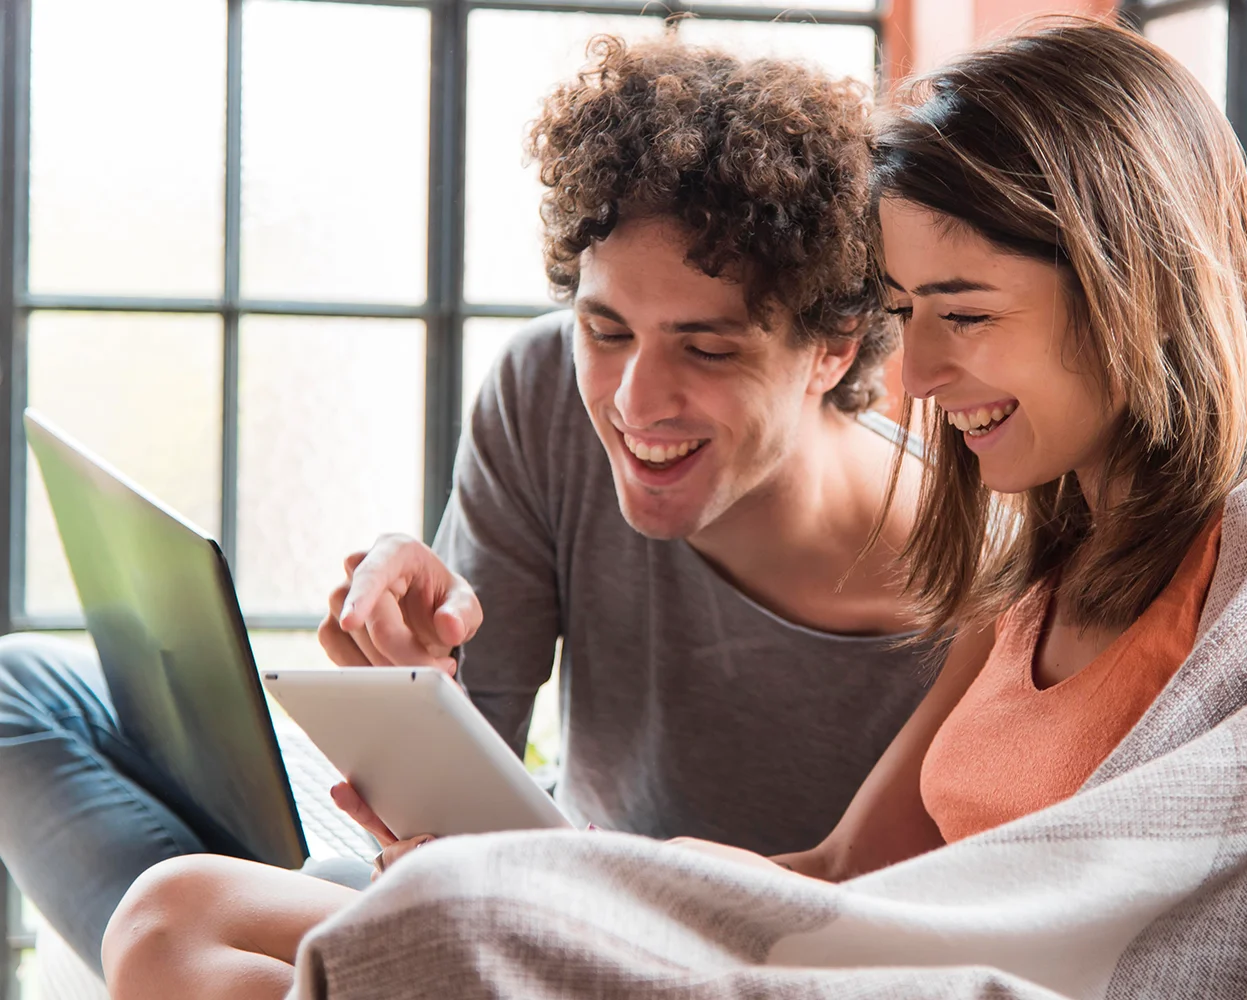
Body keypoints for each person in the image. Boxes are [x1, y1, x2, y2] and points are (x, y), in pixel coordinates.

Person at [101, 16, 1247, 1000]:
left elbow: (1204, 930)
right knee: (177, 910)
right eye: (904, 316)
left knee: (438, 919)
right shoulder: (1042, 566)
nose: (919, 377)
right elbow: (837, 875)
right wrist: (570, 868)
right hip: (859, 946)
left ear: (1132, 290)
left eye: (962, 317)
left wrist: (557, 892)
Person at [0, 36, 935, 978]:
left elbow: (892, 929)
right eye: (605, 330)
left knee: (189, 929)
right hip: (526, 879)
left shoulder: (969, 588)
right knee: (21, 696)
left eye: (708, 349)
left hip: (676, 949)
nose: (634, 402)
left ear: (834, 349)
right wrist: (417, 681)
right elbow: (454, 813)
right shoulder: (544, 391)